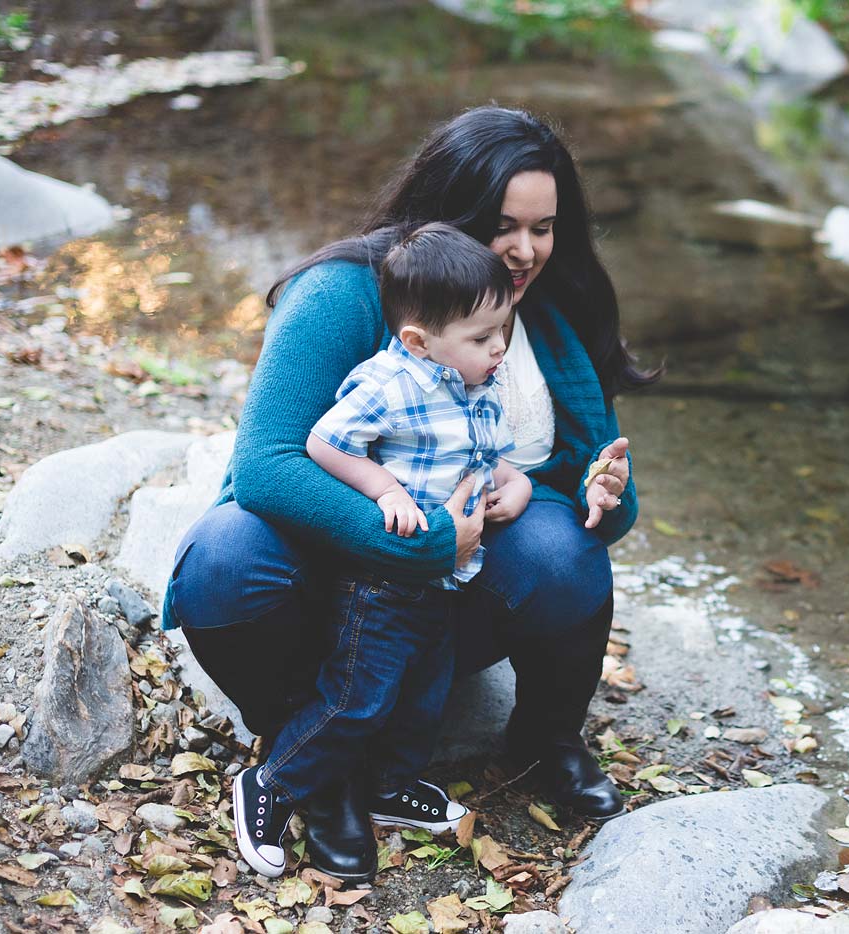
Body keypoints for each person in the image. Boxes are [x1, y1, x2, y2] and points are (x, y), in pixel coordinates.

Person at [164, 105, 659, 884]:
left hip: (446, 599)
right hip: (335, 571)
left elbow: (584, 482)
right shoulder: (345, 291)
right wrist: (425, 537)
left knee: (566, 553)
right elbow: (266, 465)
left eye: (545, 226)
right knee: (225, 561)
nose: (526, 251)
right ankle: (314, 762)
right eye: (503, 225)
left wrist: (602, 492)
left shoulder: (552, 312)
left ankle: (544, 738)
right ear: (450, 211)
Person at [232, 224, 530, 880]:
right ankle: (273, 784)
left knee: (424, 694)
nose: (499, 348)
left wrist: (516, 483)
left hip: (446, 582)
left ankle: (389, 787)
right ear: (422, 341)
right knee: (357, 696)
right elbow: (325, 442)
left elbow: (486, 458)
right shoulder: (392, 381)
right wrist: (384, 487)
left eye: (502, 332)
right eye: (483, 338)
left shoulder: (477, 387)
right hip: (380, 582)